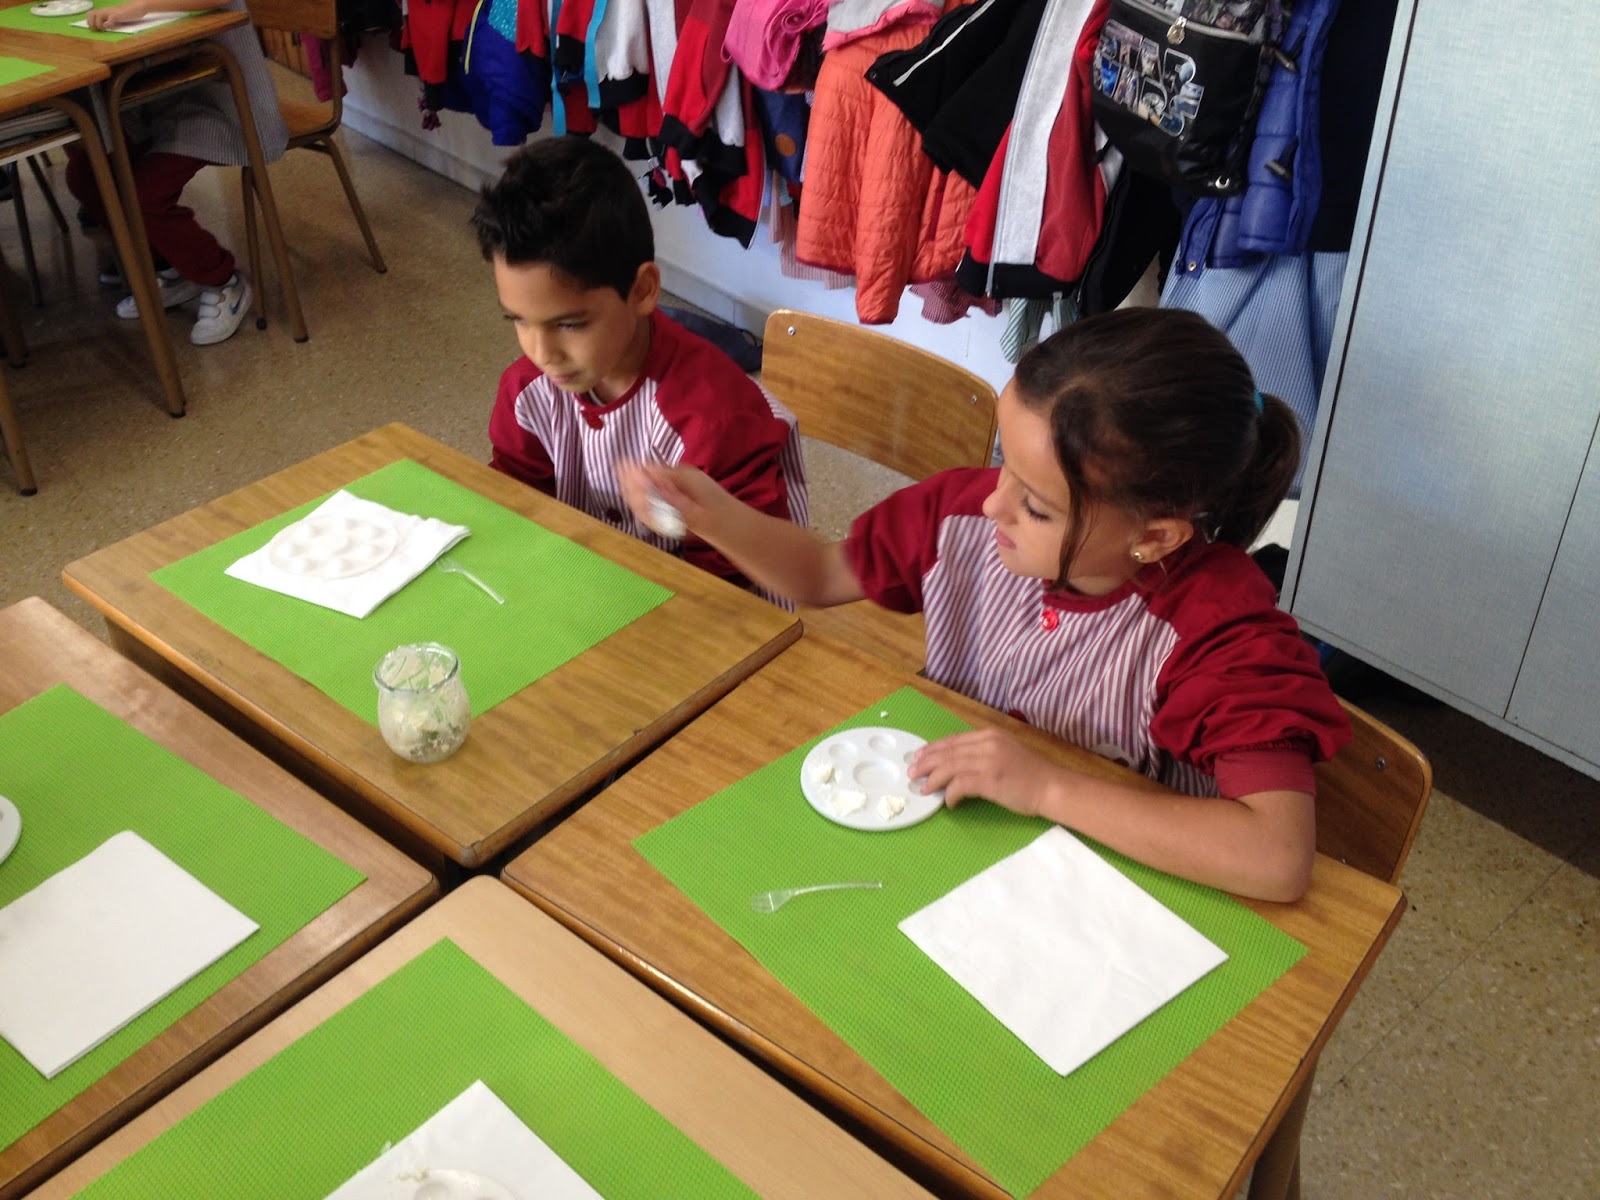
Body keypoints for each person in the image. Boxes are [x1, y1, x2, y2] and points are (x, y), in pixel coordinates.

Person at [620, 308, 1350, 901]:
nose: (992, 504)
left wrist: (1045, 786)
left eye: (1036, 506)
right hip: (944, 855)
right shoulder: (966, 513)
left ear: (1154, 537)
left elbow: (1275, 855)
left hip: (1095, 895)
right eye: (1005, 465)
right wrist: (713, 514)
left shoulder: (1219, 631)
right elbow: (818, 573)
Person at [471, 136, 809, 596]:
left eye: (569, 324)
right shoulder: (526, 391)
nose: (543, 352)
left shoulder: (712, 416)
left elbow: (731, 589)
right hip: (595, 586)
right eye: (519, 320)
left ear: (644, 290)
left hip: (707, 606)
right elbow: (517, 503)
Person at [66, 0, 287, 346]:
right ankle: (170, 266)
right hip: (162, 99)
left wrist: (140, 7)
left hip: (226, 105)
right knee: (88, 175)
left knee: (143, 194)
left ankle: (222, 279)